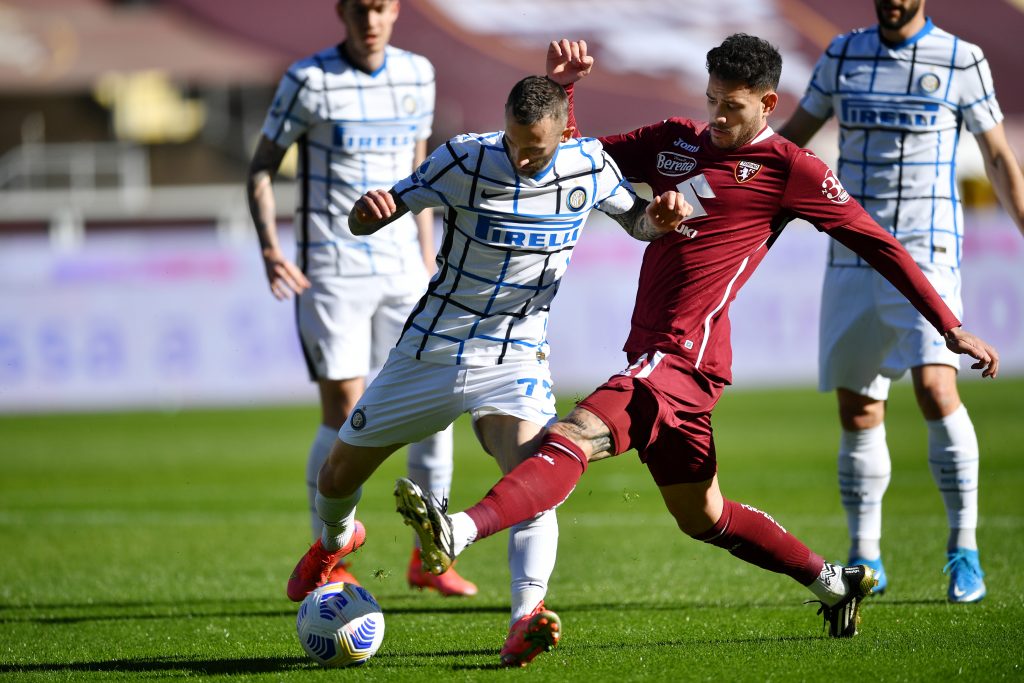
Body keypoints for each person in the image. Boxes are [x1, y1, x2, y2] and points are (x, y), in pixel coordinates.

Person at [392, 34, 1001, 649]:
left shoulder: (792, 169)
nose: (717, 116)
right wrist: (564, 91)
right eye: (712, 100)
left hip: (683, 357)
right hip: (660, 358)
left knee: (571, 435)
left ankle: (459, 530)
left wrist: (948, 325)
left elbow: (879, 243)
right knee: (703, 516)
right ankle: (833, 583)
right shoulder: (674, 139)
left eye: (732, 106)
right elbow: (577, 161)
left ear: (768, 103)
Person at [285, 73, 693, 667]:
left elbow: (639, 224)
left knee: (533, 482)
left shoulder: (588, 165)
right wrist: (368, 214)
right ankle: (335, 541)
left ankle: (526, 618)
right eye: (515, 143)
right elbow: (372, 216)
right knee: (337, 474)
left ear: (564, 133)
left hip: (516, 356)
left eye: (537, 149)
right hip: (433, 348)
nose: (523, 158)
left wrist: (660, 217)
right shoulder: (464, 159)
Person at [777, 0, 1024, 603]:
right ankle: (866, 556)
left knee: (936, 388)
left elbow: (997, 156)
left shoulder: (962, 59)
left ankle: (964, 551)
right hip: (851, 247)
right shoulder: (843, 54)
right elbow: (790, 143)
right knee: (858, 408)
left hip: (926, 248)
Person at [245, 0, 475, 596]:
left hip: (403, 269)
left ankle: (431, 555)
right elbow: (262, 166)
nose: (369, 21)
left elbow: (419, 168)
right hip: (332, 269)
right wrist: (270, 248)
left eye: (379, 7)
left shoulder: (417, 74)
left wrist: (426, 256)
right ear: (341, 11)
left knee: (435, 405)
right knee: (345, 415)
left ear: (394, 9)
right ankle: (332, 549)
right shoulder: (309, 79)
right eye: (359, 9)